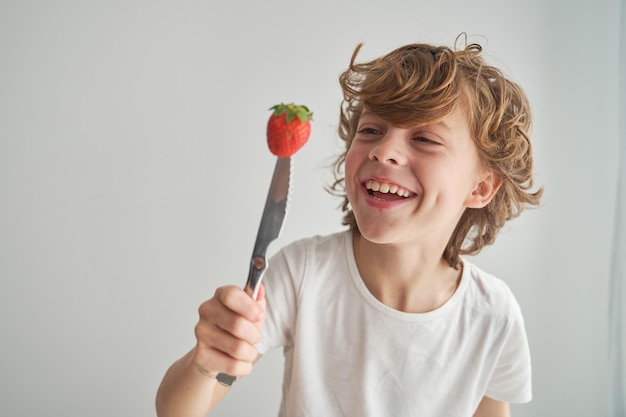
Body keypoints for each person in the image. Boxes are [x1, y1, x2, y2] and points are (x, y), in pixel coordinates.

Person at [155, 35, 543, 417]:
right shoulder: (303, 273)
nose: (383, 150)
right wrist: (206, 364)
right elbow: (176, 411)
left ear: (481, 187)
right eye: (371, 130)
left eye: (424, 139)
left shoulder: (493, 314)